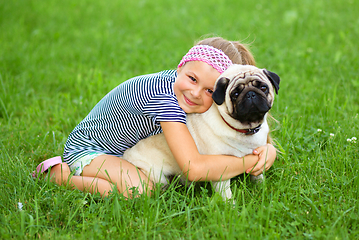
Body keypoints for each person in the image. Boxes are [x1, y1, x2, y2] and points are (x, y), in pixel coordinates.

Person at [33, 37, 277, 197]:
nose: (194, 92)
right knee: (140, 191)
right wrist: (249, 163)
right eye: (192, 79)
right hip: (90, 150)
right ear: (180, 67)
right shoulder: (165, 100)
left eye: (209, 90)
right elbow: (194, 169)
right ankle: (59, 175)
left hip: (127, 152)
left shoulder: (184, 89)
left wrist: (268, 150)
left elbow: (240, 133)